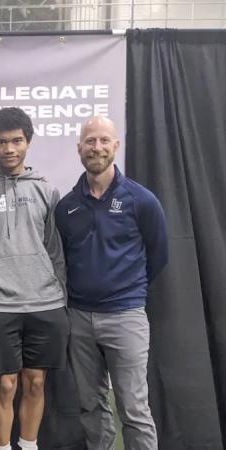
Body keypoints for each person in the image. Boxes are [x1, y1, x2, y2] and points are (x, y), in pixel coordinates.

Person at [55, 116, 168, 450]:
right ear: (79, 149)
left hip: (125, 316)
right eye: (90, 141)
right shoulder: (67, 207)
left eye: (104, 140)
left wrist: (126, 289)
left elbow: (158, 254)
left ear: (116, 146)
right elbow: (63, 259)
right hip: (79, 319)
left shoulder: (141, 200)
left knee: (134, 408)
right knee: (90, 406)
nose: (97, 147)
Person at [0, 107, 68, 450]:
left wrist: (61, 297)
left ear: (29, 142)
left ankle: (29, 444)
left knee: (36, 382)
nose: (10, 149)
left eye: (17, 141)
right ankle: (1, 446)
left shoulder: (47, 191)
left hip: (45, 302)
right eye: (2, 142)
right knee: (5, 385)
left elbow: (56, 251)